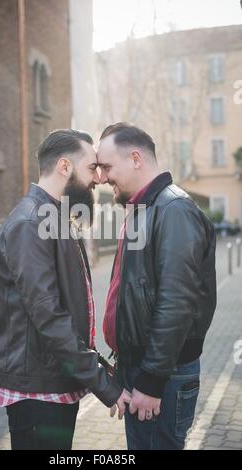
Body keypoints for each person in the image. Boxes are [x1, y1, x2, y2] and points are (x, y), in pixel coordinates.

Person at [0, 129, 130, 450]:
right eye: (91, 167)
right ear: (65, 167)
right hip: (39, 390)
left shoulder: (54, 216)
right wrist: (103, 386)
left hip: (54, 380)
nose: (98, 178)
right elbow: (49, 317)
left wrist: (96, 366)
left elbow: (66, 308)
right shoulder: (30, 224)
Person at [97, 122, 217, 450]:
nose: (102, 178)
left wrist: (151, 380)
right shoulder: (143, 209)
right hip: (145, 367)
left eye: (107, 167)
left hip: (163, 374)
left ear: (136, 158)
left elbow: (177, 303)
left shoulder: (174, 209)